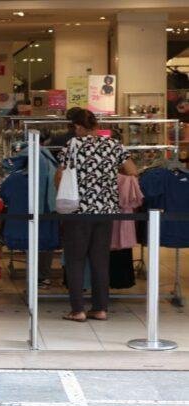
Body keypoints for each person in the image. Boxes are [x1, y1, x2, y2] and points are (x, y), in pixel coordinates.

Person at [55, 110, 137, 322]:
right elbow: (132, 170)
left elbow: (59, 177)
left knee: (75, 260)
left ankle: (78, 310)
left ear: (78, 127)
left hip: (78, 211)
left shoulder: (72, 146)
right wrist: (106, 179)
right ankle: (100, 308)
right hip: (106, 210)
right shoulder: (114, 145)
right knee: (100, 260)